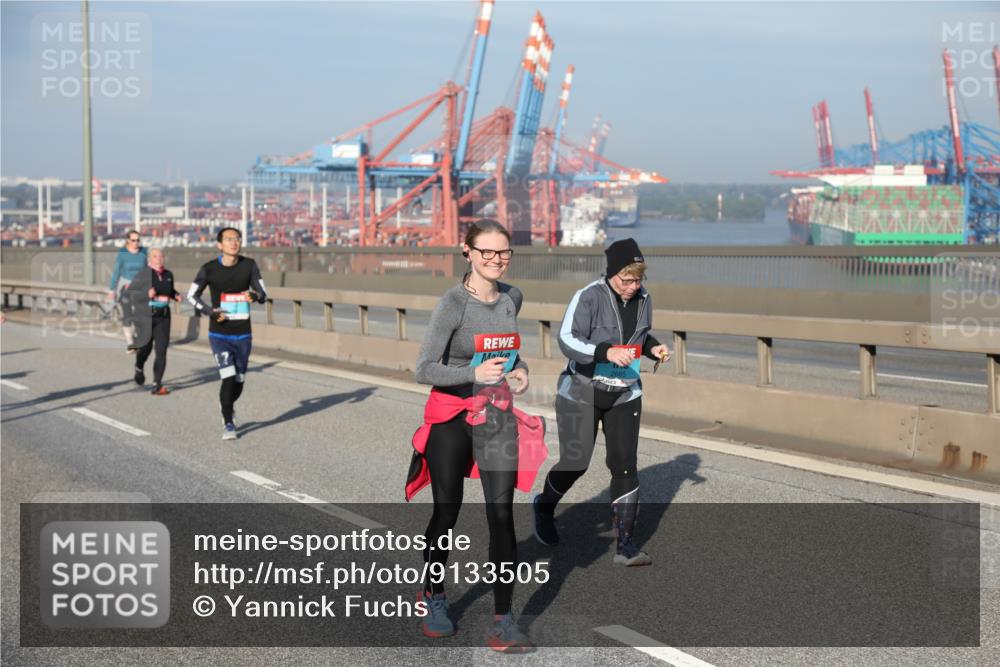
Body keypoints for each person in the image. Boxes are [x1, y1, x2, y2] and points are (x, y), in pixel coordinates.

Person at [405, 219, 545, 653]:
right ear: (466, 252)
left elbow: (509, 351)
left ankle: (503, 620)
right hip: (451, 414)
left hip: (495, 412)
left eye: (503, 252)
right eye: (487, 252)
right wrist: (472, 373)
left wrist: (519, 371)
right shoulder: (452, 304)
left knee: (501, 516)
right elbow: (424, 368)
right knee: (447, 514)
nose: (496, 260)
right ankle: (434, 593)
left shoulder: (511, 298)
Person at [533, 237, 670, 567]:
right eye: (627, 280)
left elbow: (639, 335)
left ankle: (625, 545)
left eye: (638, 280)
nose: (633, 287)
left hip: (625, 392)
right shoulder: (588, 296)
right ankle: (544, 505)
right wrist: (604, 352)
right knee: (576, 462)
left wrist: (653, 347)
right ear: (611, 274)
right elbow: (567, 339)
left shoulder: (644, 298)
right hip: (582, 390)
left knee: (624, 464)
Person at [186, 227, 267, 440]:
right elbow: (191, 295)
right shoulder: (209, 269)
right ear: (219, 245)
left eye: (237, 239)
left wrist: (255, 295)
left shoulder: (249, 266)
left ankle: (227, 405)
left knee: (239, 380)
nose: (234, 242)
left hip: (243, 334)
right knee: (228, 376)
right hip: (219, 334)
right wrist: (210, 312)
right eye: (229, 239)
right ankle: (228, 422)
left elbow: (263, 293)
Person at [129, 248, 181, 395]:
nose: (159, 259)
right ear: (149, 259)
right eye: (155, 256)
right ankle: (139, 367)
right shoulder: (143, 274)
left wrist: (175, 295)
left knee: (162, 351)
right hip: (146, 316)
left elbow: (169, 290)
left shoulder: (168, 274)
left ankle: (156, 385)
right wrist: (146, 294)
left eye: (161, 256)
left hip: (164, 316)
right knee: (145, 349)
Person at [107, 231, 147, 352]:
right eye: (133, 240)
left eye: (138, 240)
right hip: (126, 287)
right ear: (128, 240)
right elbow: (117, 271)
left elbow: (147, 270)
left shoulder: (143, 252)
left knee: (140, 315)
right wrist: (111, 289)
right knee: (128, 314)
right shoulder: (122, 253)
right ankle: (130, 343)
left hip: (140, 287)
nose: (136, 243)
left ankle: (137, 337)